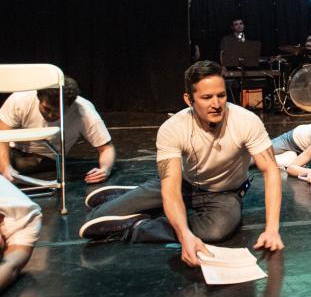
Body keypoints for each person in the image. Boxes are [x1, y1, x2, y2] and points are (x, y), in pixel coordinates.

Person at [78, 61, 284, 267]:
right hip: (182, 185)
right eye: (206, 97)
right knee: (99, 217)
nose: (216, 103)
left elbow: (270, 171)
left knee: (217, 231)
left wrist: (272, 229)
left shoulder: (246, 121)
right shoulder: (173, 128)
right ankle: (130, 195)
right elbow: (171, 189)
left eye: (221, 95)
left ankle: (137, 227)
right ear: (189, 99)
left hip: (224, 193)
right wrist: (185, 236)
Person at [1, 76, 116, 184]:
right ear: (39, 98)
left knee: (23, 164)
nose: (51, 115)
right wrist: (6, 167)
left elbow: (106, 148)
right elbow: (2, 135)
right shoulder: (21, 99)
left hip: (45, 157)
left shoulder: (84, 111)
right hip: (12, 149)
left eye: (58, 111)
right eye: (46, 109)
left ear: (70, 105)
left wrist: (105, 169)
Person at [0, 177, 42, 292]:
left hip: (24, 220)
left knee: (11, 264)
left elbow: (12, 266)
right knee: (12, 265)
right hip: (26, 218)